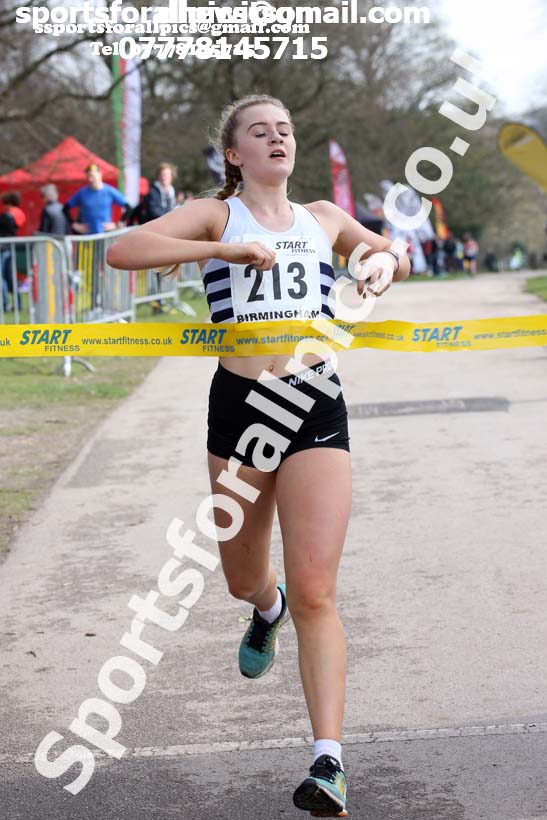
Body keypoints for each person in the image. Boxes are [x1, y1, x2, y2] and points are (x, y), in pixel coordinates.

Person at [106, 94, 410, 817]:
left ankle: (328, 763)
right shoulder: (218, 215)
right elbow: (124, 250)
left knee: (317, 591)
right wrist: (221, 250)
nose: (277, 138)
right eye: (259, 132)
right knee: (245, 578)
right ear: (234, 155)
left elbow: (387, 253)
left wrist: (378, 265)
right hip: (241, 412)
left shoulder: (322, 219)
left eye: (285, 130)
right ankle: (261, 607)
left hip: (313, 406)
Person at [63, 163, 131, 235]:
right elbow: (65, 209)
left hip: (105, 234)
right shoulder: (82, 193)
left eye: (92, 176)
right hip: (87, 235)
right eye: (88, 176)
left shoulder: (109, 191)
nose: (90, 179)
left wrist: (116, 224)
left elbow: (128, 208)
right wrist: (74, 225)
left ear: (100, 174)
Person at [1, 192, 26, 312]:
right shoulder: (19, 214)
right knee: (10, 278)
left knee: (2, 278)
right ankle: (18, 303)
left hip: (2, 249)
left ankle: (4, 304)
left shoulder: (7, 216)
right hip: (10, 248)